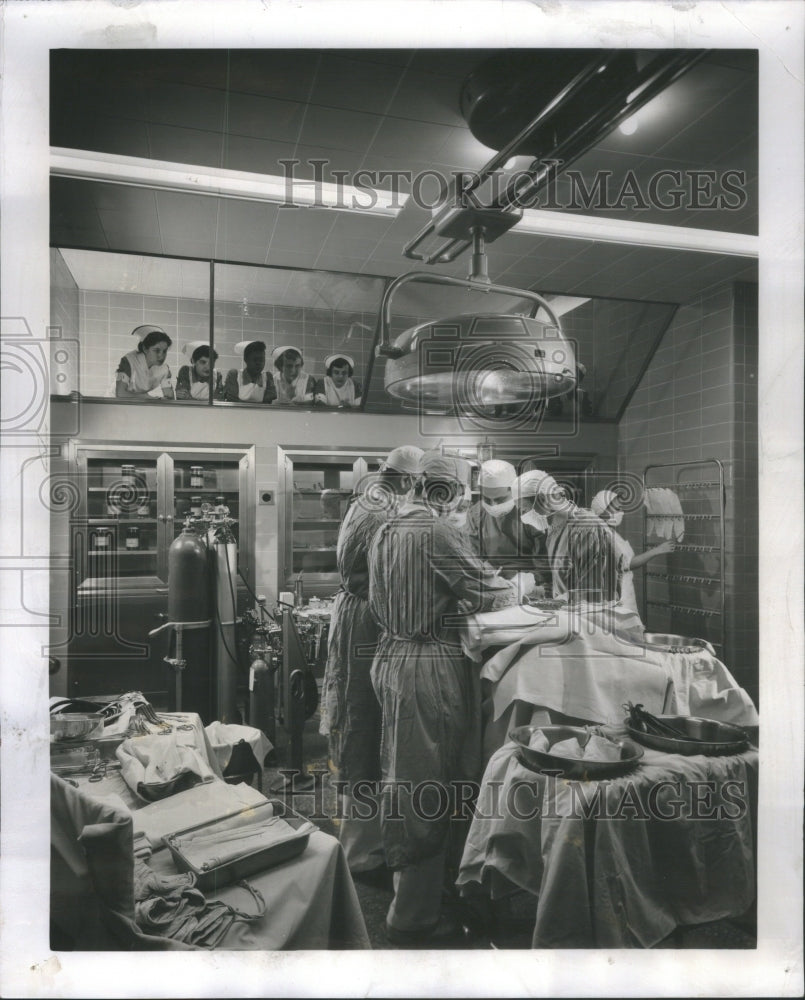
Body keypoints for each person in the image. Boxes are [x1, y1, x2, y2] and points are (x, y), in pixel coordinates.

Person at [368, 451, 524, 945]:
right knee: (425, 784)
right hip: (426, 666)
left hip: (392, 655)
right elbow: (487, 592)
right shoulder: (435, 532)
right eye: (460, 495)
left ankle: (423, 893)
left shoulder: (387, 528)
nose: (463, 504)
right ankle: (411, 916)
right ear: (446, 493)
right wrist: (517, 588)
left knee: (405, 776)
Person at [320, 445, 424, 876]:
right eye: (416, 485)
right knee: (364, 724)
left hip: (356, 614)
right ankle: (362, 854)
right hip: (367, 619)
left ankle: (361, 840)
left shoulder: (369, 499)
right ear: (405, 480)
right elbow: (387, 575)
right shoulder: (383, 512)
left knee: (357, 717)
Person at [524, 471, 620, 602]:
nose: (523, 517)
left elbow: (591, 594)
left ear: (541, 499)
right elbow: (562, 585)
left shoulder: (586, 528)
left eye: (524, 510)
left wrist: (556, 603)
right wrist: (530, 590)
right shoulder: (554, 530)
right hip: (572, 613)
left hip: (593, 618)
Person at [466, 459, 548, 594]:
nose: (493, 505)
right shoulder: (476, 513)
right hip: (492, 583)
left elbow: (545, 560)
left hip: (531, 585)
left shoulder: (531, 512)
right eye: (486, 499)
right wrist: (483, 568)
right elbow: (473, 553)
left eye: (499, 499)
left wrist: (531, 579)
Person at [591, 488, 675, 617]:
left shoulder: (609, 532)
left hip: (620, 590)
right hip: (617, 592)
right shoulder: (603, 535)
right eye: (617, 509)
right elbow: (628, 564)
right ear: (604, 510)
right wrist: (658, 550)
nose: (622, 513)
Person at [113, 325, 174, 399]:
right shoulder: (129, 361)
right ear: (145, 349)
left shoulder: (164, 369)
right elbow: (120, 393)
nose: (161, 356)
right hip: (115, 401)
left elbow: (169, 397)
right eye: (156, 351)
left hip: (141, 402)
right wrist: (147, 397)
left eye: (164, 351)